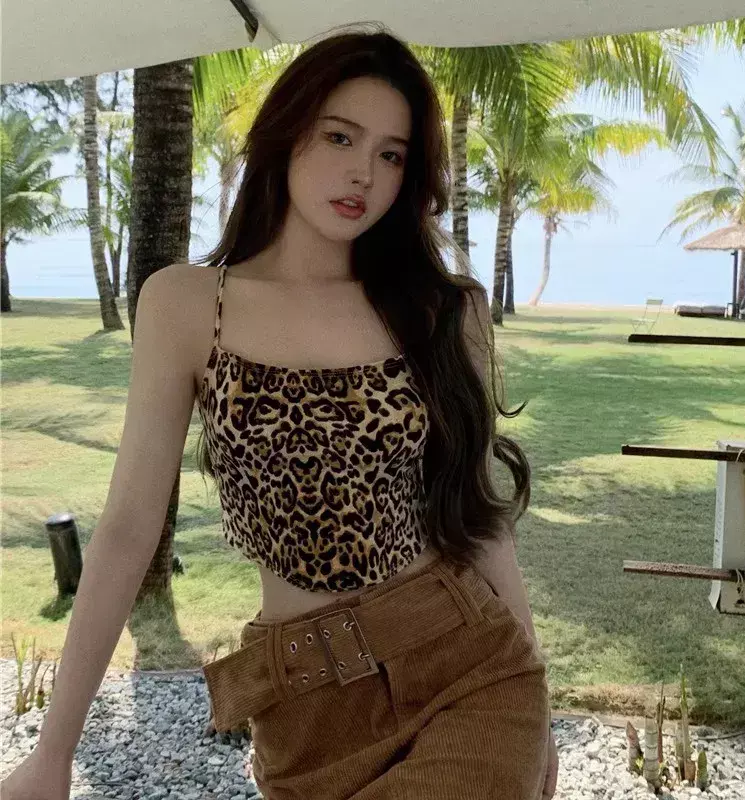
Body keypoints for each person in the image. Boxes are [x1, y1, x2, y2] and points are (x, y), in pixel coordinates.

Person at [1, 24, 558, 800]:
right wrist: (52, 751)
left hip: (464, 671)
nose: (363, 172)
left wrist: (538, 701)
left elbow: (478, 514)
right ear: (287, 131)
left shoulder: (442, 309)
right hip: (302, 709)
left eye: (392, 155)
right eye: (340, 136)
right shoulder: (186, 304)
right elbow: (129, 527)